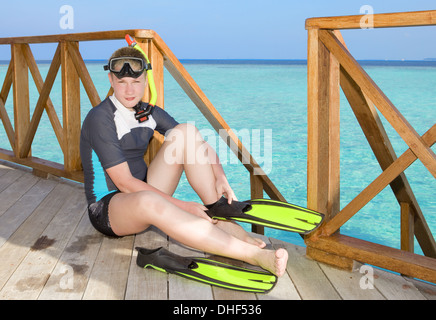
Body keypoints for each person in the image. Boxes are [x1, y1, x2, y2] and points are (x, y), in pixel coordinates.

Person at [80, 47, 288, 276]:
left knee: (186, 131)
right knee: (150, 200)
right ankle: (255, 256)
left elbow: (198, 143)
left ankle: (218, 211)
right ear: (111, 79)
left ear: (145, 80)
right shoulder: (100, 118)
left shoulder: (147, 112)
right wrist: (183, 205)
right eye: (122, 82)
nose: (130, 90)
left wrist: (220, 176)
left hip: (146, 190)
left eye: (136, 82)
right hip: (110, 208)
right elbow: (125, 183)